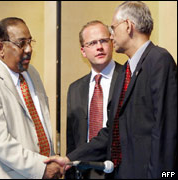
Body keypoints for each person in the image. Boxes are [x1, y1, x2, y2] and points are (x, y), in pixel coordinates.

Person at [45, 1, 177, 179]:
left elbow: (166, 131)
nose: (112, 36)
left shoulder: (159, 60)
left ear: (128, 26)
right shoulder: (126, 72)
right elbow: (112, 131)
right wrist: (69, 158)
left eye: (113, 29)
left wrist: (164, 176)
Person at [0, 17, 62, 179]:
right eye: (21, 43)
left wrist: (50, 162)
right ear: (1, 47)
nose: (29, 49)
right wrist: (41, 168)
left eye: (30, 42)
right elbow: (0, 143)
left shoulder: (32, 74)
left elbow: (41, 125)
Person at [66, 20, 122, 179]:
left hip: (120, 170)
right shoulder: (74, 89)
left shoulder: (127, 78)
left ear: (112, 43)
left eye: (104, 40)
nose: (99, 47)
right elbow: (72, 142)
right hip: (85, 173)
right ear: (83, 51)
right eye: (92, 43)